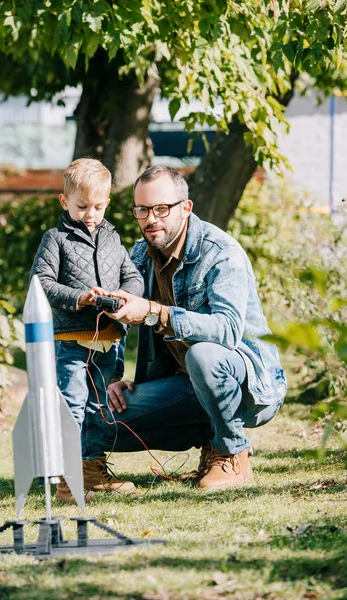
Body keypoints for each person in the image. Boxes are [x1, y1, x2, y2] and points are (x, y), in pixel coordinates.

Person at [106, 165, 287, 490]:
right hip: (182, 387)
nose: (151, 219)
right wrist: (112, 378)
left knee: (203, 357)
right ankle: (208, 435)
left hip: (249, 388)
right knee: (97, 419)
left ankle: (233, 452)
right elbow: (118, 312)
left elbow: (228, 330)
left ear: (185, 208)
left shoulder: (220, 254)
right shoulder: (140, 255)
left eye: (161, 208)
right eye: (142, 209)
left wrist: (155, 312)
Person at [30, 158, 144, 500]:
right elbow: (41, 282)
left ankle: (92, 471)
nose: (90, 214)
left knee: (98, 408)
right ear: (65, 202)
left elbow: (133, 277)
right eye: (82, 206)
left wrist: (127, 296)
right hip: (71, 342)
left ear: (107, 202)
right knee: (72, 404)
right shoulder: (56, 239)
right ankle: (65, 479)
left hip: (109, 341)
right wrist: (79, 297)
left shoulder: (112, 238)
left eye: (97, 206)